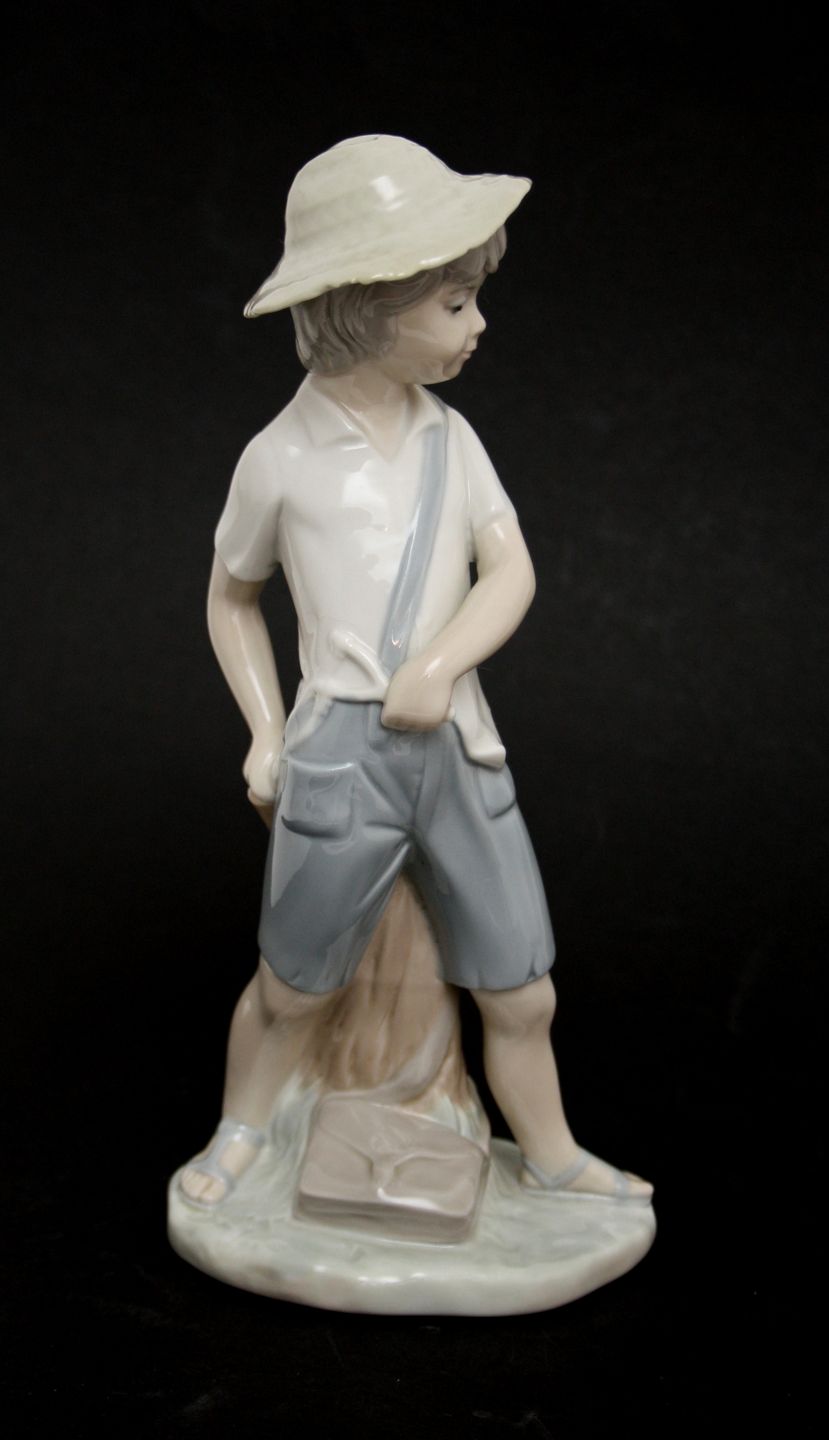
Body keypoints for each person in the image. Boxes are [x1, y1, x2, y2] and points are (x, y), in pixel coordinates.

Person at [180, 135, 652, 1209]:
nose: (477, 324)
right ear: (363, 307)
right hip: (341, 755)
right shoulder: (278, 459)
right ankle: (239, 1131)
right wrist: (263, 733)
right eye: (453, 303)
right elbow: (230, 597)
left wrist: (441, 662)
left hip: (457, 750)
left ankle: (552, 1152)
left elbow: (511, 568)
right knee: (292, 987)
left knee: (522, 990)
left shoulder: (453, 441)